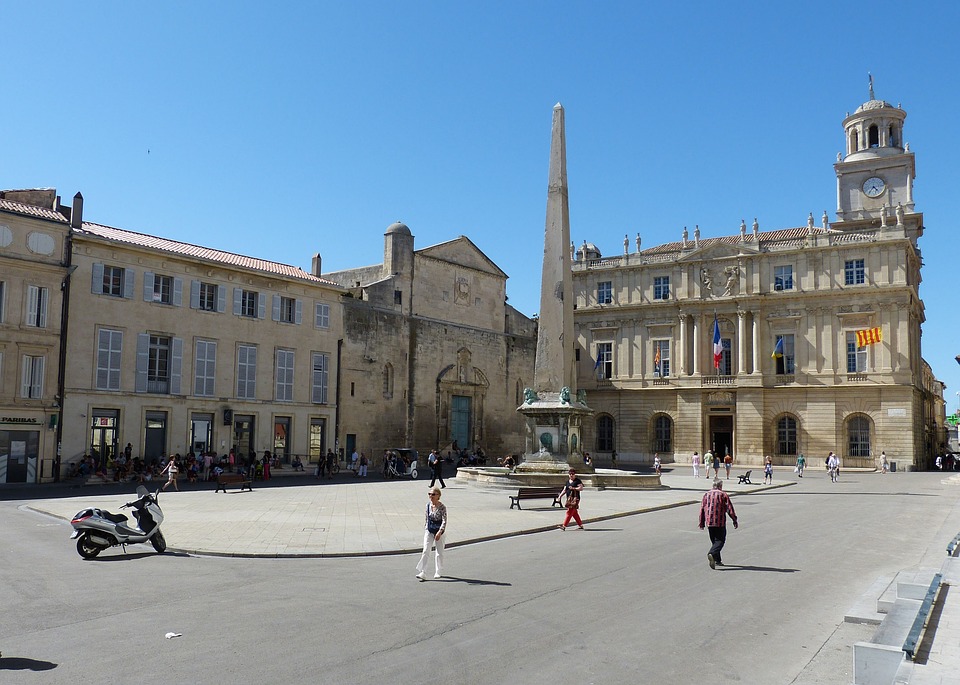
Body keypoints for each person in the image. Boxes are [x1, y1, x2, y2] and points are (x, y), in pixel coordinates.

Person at [698, 479, 738, 569]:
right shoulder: (723, 494)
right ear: (720, 486)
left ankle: (717, 560)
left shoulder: (706, 494)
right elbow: (729, 508)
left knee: (714, 542)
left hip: (709, 523)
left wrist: (701, 522)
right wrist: (734, 519)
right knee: (720, 541)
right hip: (719, 522)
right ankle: (711, 553)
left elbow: (702, 509)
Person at [416, 486, 447, 580]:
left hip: (439, 531)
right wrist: (426, 528)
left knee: (439, 552)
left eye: (433, 494)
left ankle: (438, 571)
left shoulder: (442, 507)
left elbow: (444, 521)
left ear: (438, 496)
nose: (431, 496)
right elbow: (426, 518)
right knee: (426, 550)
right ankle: (423, 572)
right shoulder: (428, 505)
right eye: (429, 494)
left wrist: (440, 532)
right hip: (429, 530)